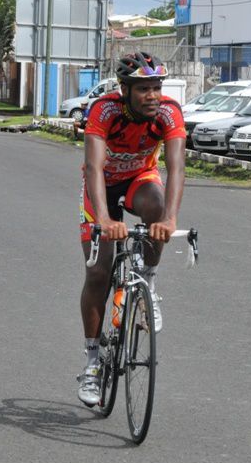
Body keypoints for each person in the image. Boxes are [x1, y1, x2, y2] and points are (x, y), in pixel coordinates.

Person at [76, 51, 186, 407]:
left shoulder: (169, 112)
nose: (152, 95)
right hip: (102, 187)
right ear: (125, 89)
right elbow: (93, 168)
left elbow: (177, 168)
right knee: (99, 271)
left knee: (156, 206)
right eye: (143, 89)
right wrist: (106, 221)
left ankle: (148, 282)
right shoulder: (104, 111)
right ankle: (93, 362)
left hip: (140, 180)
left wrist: (169, 220)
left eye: (156, 87)